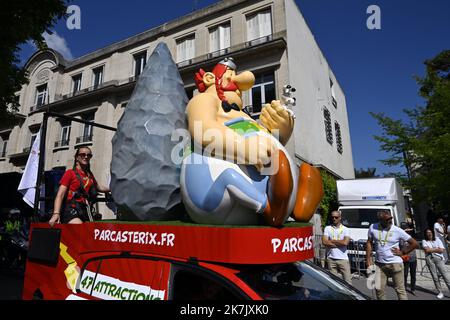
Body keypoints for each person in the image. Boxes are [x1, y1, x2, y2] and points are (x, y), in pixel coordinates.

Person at [49, 147, 110, 225]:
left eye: (89, 155)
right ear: (77, 157)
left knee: (90, 231)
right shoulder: (70, 173)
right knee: (80, 228)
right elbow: (60, 195)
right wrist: (56, 213)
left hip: (84, 210)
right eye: (83, 154)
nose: (86, 157)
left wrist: (113, 188)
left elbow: (98, 187)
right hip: (71, 209)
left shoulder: (89, 175)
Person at [366, 210, 419, 300]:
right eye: (387, 219)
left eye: (391, 218)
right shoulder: (373, 227)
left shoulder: (397, 230)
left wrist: (402, 252)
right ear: (380, 220)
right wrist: (368, 260)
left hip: (395, 264)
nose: (390, 220)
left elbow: (415, 243)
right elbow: (369, 243)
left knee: (400, 290)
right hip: (380, 264)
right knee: (379, 289)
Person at [322, 210, 352, 284]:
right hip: (331, 259)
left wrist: (332, 241)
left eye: (336, 217)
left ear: (340, 218)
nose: (334, 219)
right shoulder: (327, 228)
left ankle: (349, 296)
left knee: (348, 282)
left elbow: (345, 242)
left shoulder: (346, 229)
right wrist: (339, 243)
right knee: (333, 283)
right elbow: (324, 242)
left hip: (343, 259)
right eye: (332, 217)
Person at [422, 228, 450, 299]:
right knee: (435, 276)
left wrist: (431, 250)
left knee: (445, 276)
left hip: (438, 258)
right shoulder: (424, 241)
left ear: (432, 233)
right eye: (427, 232)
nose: (429, 233)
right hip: (429, 259)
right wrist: (437, 249)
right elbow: (426, 250)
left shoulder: (437, 239)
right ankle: (440, 292)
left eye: (430, 232)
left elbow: (442, 250)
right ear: (425, 234)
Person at [400, 223, 417, 295]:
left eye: (408, 231)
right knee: (405, 274)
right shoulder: (401, 238)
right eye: (406, 231)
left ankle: (413, 289)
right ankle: (404, 287)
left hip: (413, 258)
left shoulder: (412, 238)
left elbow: (416, 245)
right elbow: (400, 246)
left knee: (413, 274)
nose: (407, 232)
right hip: (405, 259)